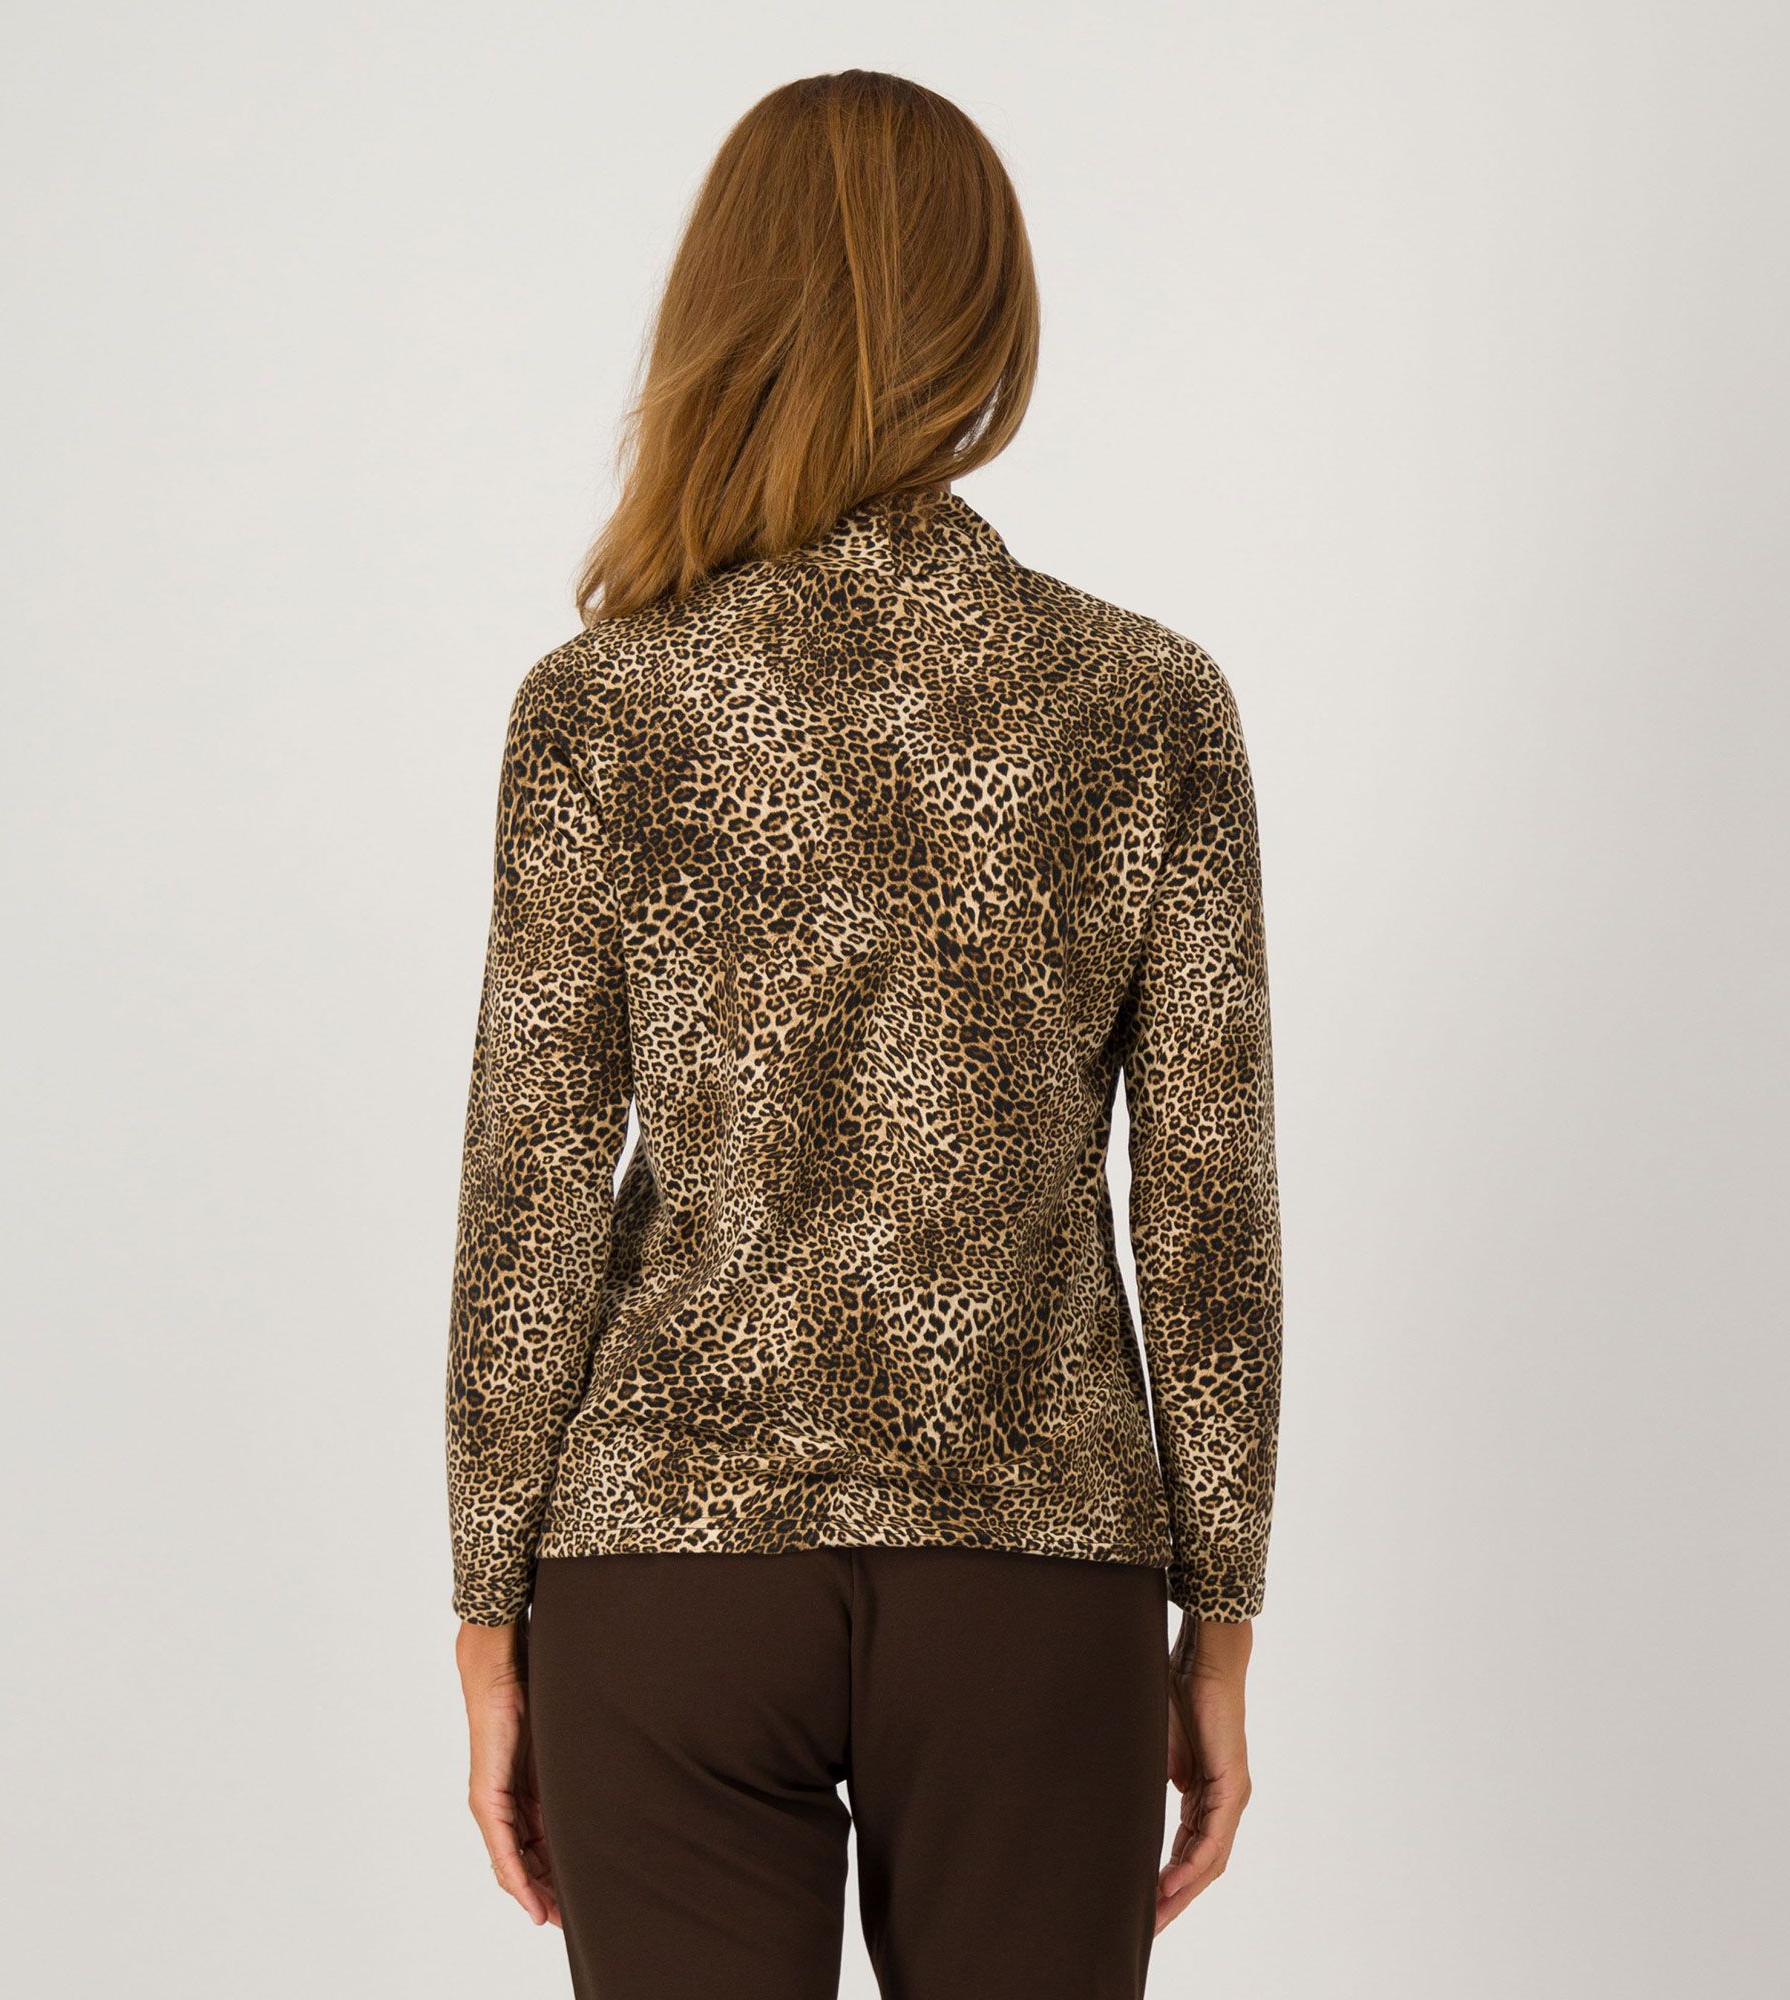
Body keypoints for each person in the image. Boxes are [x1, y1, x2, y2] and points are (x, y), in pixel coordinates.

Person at [445, 69, 1283, 2000]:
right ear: (988, 318)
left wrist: (491, 1627)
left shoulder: (601, 705)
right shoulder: (1147, 701)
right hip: (1036, 1570)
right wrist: (1218, 1626)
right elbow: (1210, 1214)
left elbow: (530, 1200)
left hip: (664, 1566)